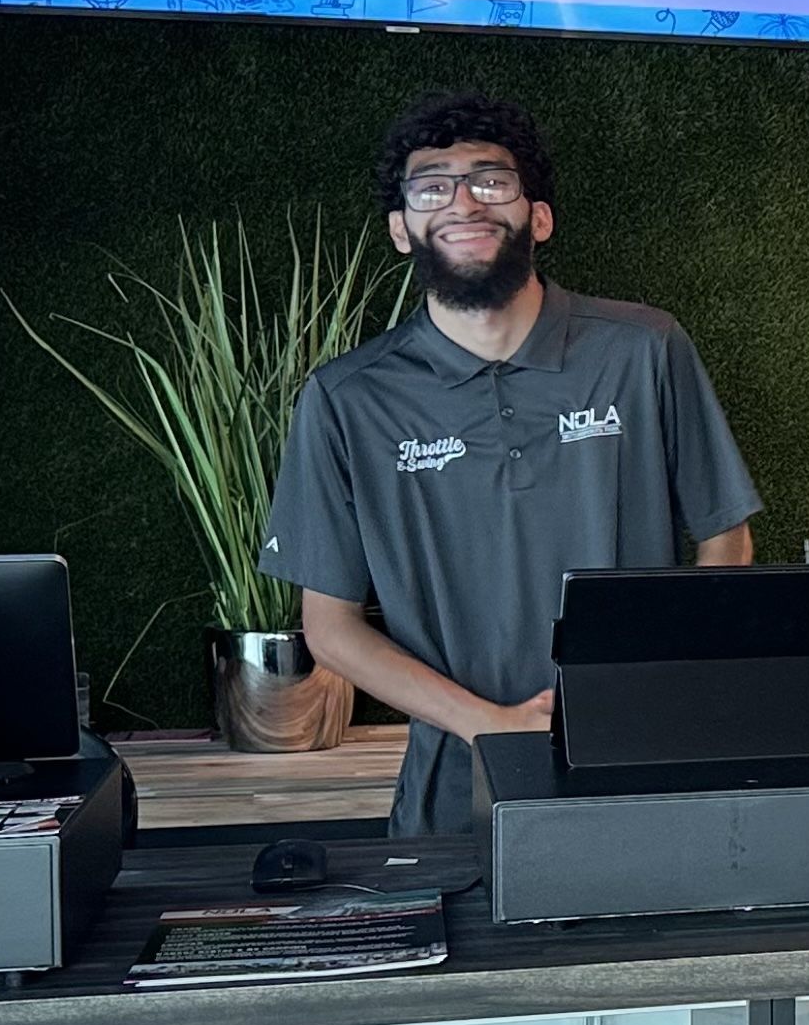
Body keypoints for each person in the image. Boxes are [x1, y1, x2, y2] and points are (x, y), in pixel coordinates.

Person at [265, 89, 760, 834]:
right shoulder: (345, 398)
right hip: (455, 788)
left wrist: (663, 683)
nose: (463, 201)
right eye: (433, 186)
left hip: (641, 763)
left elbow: (726, 537)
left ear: (538, 215)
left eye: (490, 180)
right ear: (401, 229)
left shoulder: (645, 348)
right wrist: (490, 723)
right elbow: (330, 628)